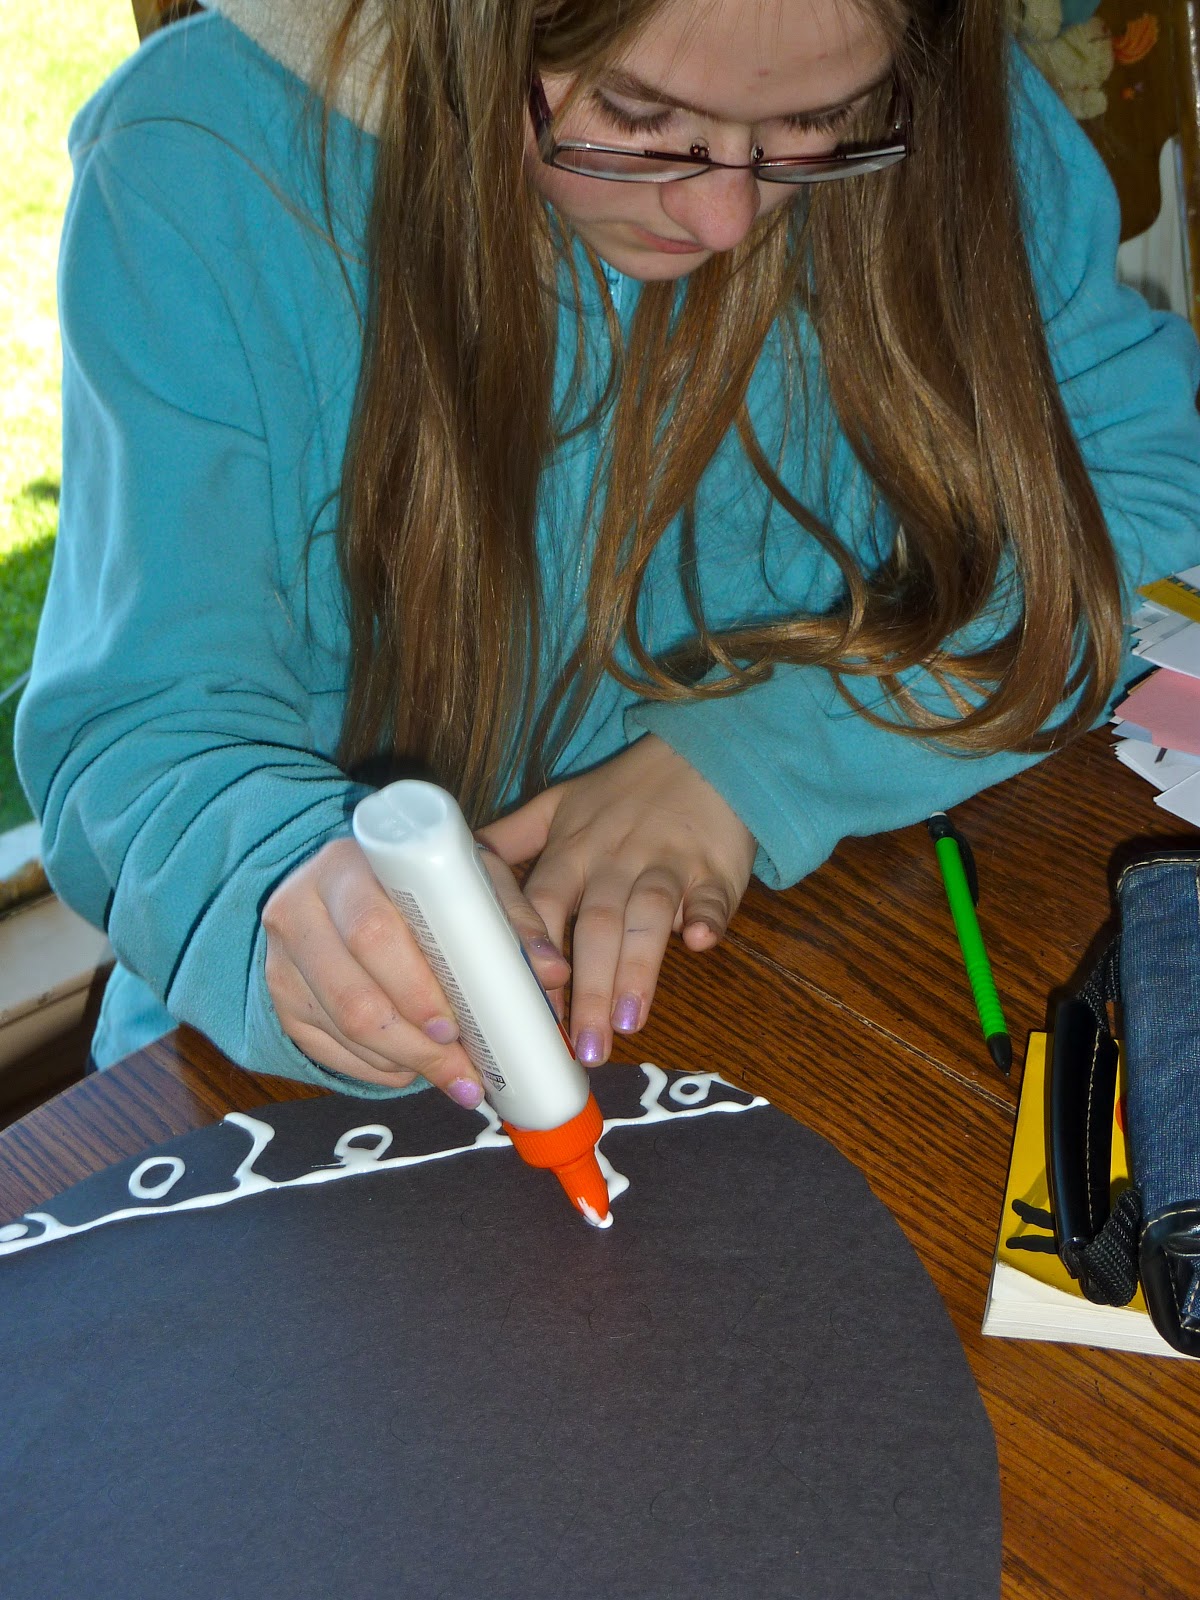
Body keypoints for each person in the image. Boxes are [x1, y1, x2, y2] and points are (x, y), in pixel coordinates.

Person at [17, 0, 1200, 1107]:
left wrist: (760, 763)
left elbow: (1139, 482)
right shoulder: (203, 174)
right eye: (640, 119)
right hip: (301, 1069)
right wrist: (283, 887)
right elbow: (143, 743)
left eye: (819, 123)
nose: (726, 216)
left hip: (785, 953)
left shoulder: (935, 80)